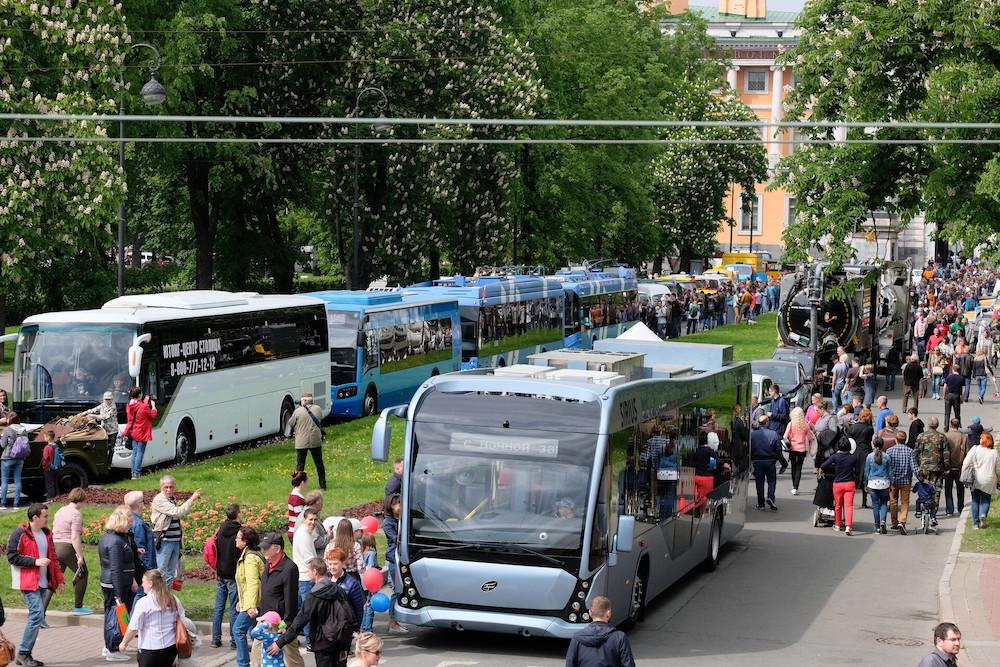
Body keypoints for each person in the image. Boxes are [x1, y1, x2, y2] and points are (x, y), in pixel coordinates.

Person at [6, 503, 64, 667]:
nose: (48, 518)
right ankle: (24, 653)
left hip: (43, 582)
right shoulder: (20, 534)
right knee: (37, 614)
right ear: (35, 518)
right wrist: (35, 562)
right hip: (28, 582)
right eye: (45, 516)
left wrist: (59, 579)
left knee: (37, 616)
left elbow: (53, 557)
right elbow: (12, 556)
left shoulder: (46, 533)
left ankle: (24, 654)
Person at [270, 557, 354, 667]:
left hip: (322, 643)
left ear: (315, 572)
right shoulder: (339, 590)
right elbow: (347, 617)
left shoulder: (314, 595)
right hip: (339, 641)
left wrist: (280, 642)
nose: (308, 574)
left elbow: (300, 621)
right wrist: (345, 646)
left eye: (309, 571)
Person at [120, 569, 189, 667]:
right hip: (170, 648)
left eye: (143, 582)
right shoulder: (173, 599)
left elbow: (134, 628)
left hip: (150, 650)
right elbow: (182, 618)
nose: (142, 584)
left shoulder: (143, 603)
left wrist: (124, 643)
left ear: (151, 583)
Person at [253, 532, 303, 667]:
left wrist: (285, 625)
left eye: (266, 547)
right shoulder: (268, 565)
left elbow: (291, 598)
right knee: (256, 656)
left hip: (280, 623)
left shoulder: (289, 568)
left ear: (277, 548)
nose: (263, 551)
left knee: (292, 659)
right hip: (265, 620)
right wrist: (257, 609)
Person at [99, 505, 139, 662]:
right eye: (129, 518)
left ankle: (110, 645)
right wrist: (118, 593)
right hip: (116, 585)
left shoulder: (115, 538)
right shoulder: (115, 541)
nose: (131, 521)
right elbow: (116, 568)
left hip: (119, 583)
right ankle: (112, 648)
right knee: (115, 616)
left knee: (112, 615)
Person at [150, 475, 202, 589]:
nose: (168, 490)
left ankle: (166, 597)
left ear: (175, 488)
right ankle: (157, 599)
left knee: (170, 573)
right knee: (161, 572)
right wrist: (192, 499)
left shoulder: (172, 498)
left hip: (175, 540)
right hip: (164, 540)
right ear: (161, 487)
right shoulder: (159, 499)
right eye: (166, 487)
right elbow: (177, 512)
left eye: (171, 487)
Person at [49, 487, 92, 616]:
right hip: (67, 547)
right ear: (82, 500)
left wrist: (80, 528)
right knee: (82, 573)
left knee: (55, 580)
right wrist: (79, 556)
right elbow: (74, 537)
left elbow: (60, 527)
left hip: (55, 546)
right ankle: (78, 607)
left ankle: (40, 612)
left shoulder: (61, 510)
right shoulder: (76, 513)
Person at [564, 595, 636, 667]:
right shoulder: (619, 637)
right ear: (608, 613)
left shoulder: (577, 637)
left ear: (590, 613)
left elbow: (570, 664)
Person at [233, 526, 266, 667]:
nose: (235, 539)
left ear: (245, 541)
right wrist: (241, 601)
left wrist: (251, 606)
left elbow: (253, 583)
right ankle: (260, 662)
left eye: (238, 537)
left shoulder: (250, 558)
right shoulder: (247, 555)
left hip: (254, 603)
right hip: (250, 601)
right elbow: (245, 584)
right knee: (256, 634)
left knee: (238, 630)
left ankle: (243, 664)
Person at [213, 503, 242, 649]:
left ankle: (215, 639)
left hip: (220, 572)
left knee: (219, 607)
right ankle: (234, 640)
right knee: (234, 607)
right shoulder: (239, 532)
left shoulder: (220, 529)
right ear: (238, 514)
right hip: (232, 573)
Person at [912, 417, 950, 528]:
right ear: (937, 425)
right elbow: (946, 453)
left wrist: (917, 465)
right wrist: (947, 467)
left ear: (928, 425)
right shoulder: (942, 436)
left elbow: (915, 452)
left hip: (924, 468)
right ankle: (933, 513)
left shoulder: (921, 436)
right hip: (938, 468)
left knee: (923, 487)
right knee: (936, 490)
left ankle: (924, 508)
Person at [286, 393, 327, 490]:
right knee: (319, 463)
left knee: (300, 464)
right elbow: (320, 418)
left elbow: (290, 423)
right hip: (315, 440)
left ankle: (297, 486)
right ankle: (323, 485)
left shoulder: (298, 411)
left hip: (301, 442)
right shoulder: (317, 408)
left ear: (303, 401)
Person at [124, 491, 156, 610]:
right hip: (141, 568)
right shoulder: (138, 524)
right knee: (140, 595)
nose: (144, 504)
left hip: (138, 567)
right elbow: (140, 548)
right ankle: (134, 623)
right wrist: (148, 570)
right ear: (138, 504)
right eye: (143, 501)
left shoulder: (133, 519)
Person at [961, 432, 1000, 529]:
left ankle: (975, 524)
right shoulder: (994, 453)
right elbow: (998, 469)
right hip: (989, 479)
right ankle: (983, 514)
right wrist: (999, 480)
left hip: (976, 478)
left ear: (982, 440)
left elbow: (966, 462)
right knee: (986, 499)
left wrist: (963, 474)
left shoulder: (975, 449)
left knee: (975, 500)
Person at [821, 438, 859, 535]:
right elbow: (857, 471)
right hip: (850, 484)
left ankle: (837, 524)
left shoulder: (835, 457)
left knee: (838, 505)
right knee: (849, 506)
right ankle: (848, 526)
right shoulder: (853, 457)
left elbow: (824, 465)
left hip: (838, 484)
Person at [293, 508, 320, 643]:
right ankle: (310, 640)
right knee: (308, 611)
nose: (313, 522)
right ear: (304, 519)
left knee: (302, 610)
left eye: (315, 519)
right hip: (306, 578)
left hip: (303, 577)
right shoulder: (303, 535)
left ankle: (301, 636)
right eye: (310, 519)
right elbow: (310, 560)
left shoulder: (304, 533)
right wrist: (319, 575)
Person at [750, 415, 787, 511]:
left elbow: (749, 450)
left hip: (757, 461)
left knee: (759, 482)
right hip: (770, 461)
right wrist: (783, 463)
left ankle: (761, 504)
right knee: (772, 481)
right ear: (767, 422)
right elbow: (779, 451)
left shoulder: (753, 435)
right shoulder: (774, 434)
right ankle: (771, 497)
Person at [325, 548, 365, 634]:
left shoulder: (352, 584)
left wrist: (356, 629)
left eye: (335, 564)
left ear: (343, 563)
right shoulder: (325, 580)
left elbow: (359, 608)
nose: (332, 567)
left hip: (344, 628)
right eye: (330, 563)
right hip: (327, 627)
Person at [382, 494, 407, 635]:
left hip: (402, 558)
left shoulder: (402, 519)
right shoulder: (388, 523)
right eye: (397, 503)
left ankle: (396, 620)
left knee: (400, 589)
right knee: (397, 590)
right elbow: (396, 539)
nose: (400, 506)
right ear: (391, 507)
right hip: (394, 559)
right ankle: (392, 622)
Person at [888, 430, 917, 534]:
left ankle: (894, 522)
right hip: (905, 481)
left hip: (893, 481)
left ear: (896, 440)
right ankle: (902, 521)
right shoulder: (910, 451)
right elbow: (914, 467)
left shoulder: (890, 451)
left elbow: (888, 466)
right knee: (905, 502)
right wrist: (921, 478)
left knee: (893, 502)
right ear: (905, 440)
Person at [783, 407, 816, 496]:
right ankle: (796, 487)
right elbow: (809, 437)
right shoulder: (805, 425)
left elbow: (785, 436)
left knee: (793, 466)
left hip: (792, 448)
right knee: (799, 468)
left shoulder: (791, 424)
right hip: (802, 448)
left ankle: (794, 485)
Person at [125, 388, 157, 480]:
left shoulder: (129, 405)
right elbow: (152, 415)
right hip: (142, 431)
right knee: (140, 452)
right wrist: (153, 406)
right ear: (139, 395)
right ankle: (137, 473)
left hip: (134, 431)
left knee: (135, 452)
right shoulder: (143, 406)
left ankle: (133, 473)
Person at [0, 411, 27, 510]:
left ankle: (3, 504)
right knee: (18, 480)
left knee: (4, 480)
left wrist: (1, 437)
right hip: (20, 457)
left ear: (9, 419)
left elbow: (3, 445)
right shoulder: (23, 429)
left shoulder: (7, 430)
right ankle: (16, 504)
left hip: (7, 457)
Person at [943, 420, 969, 517]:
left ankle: (949, 510)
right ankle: (960, 508)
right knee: (960, 489)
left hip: (948, 466)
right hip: (960, 466)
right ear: (958, 425)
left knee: (948, 489)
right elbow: (967, 452)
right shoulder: (963, 437)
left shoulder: (945, 435)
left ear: (950, 425)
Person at [865, 442, 892, 535]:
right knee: (884, 503)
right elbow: (890, 471)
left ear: (873, 445)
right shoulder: (887, 456)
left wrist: (865, 483)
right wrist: (891, 483)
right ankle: (883, 521)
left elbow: (866, 471)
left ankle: (877, 526)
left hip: (873, 483)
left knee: (875, 505)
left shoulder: (869, 456)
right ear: (882, 445)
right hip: (884, 483)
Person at [358, 534, 378, 633]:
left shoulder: (361, 553)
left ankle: (362, 627)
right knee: (370, 604)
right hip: (370, 580)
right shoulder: (371, 553)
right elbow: (370, 567)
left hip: (361, 579)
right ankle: (367, 628)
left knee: (364, 603)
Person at [38, 429, 61, 502]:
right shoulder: (56, 446)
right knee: (55, 482)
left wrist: (44, 466)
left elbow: (45, 458)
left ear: (48, 437)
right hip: (57, 467)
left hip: (49, 468)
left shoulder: (47, 447)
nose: (44, 438)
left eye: (45, 437)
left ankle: (50, 498)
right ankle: (57, 497)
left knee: (49, 483)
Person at [286, 470, 309, 540]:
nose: (307, 484)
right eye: (307, 482)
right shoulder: (296, 498)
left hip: (294, 532)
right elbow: (300, 517)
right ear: (302, 482)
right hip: (296, 533)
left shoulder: (293, 495)